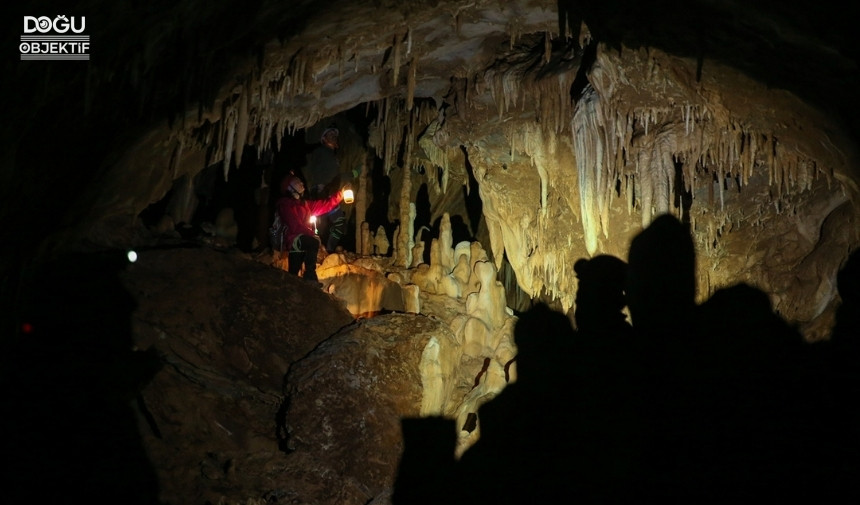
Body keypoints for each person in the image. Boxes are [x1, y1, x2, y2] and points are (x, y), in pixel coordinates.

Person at [277, 174, 343, 284]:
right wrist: (311, 234)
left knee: (293, 273)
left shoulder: (305, 205)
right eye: (297, 182)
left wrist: (340, 195)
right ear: (290, 188)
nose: (302, 183)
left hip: (301, 241)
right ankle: (310, 276)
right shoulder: (285, 205)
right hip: (294, 240)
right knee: (312, 243)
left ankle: (293, 289)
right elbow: (294, 225)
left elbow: (324, 205)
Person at [304, 126, 358, 252]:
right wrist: (353, 174)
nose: (334, 136)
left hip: (329, 193)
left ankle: (327, 250)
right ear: (323, 139)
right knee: (319, 225)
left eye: (335, 135)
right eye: (330, 134)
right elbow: (332, 176)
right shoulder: (322, 152)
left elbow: (335, 177)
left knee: (338, 223)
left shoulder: (331, 156)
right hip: (321, 193)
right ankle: (315, 250)